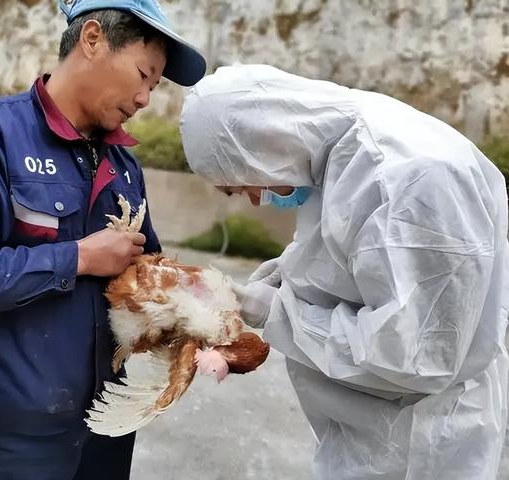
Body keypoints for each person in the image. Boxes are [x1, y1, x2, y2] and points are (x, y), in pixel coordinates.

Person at [0, 1, 205, 478]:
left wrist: (200, 318)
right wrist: (78, 258)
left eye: (155, 85)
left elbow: (148, 276)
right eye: (143, 74)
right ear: (92, 40)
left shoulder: (124, 166)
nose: (147, 97)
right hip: (14, 441)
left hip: (109, 426)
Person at [180, 64, 509, 480]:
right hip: (369, 432)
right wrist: (290, 272)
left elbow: (417, 355)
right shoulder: (334, 154)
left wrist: (279, 313)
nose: (254, 200)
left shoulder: (407, 179)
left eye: (241, 184)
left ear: (260, 142)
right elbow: (351, 256)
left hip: (420, 443)